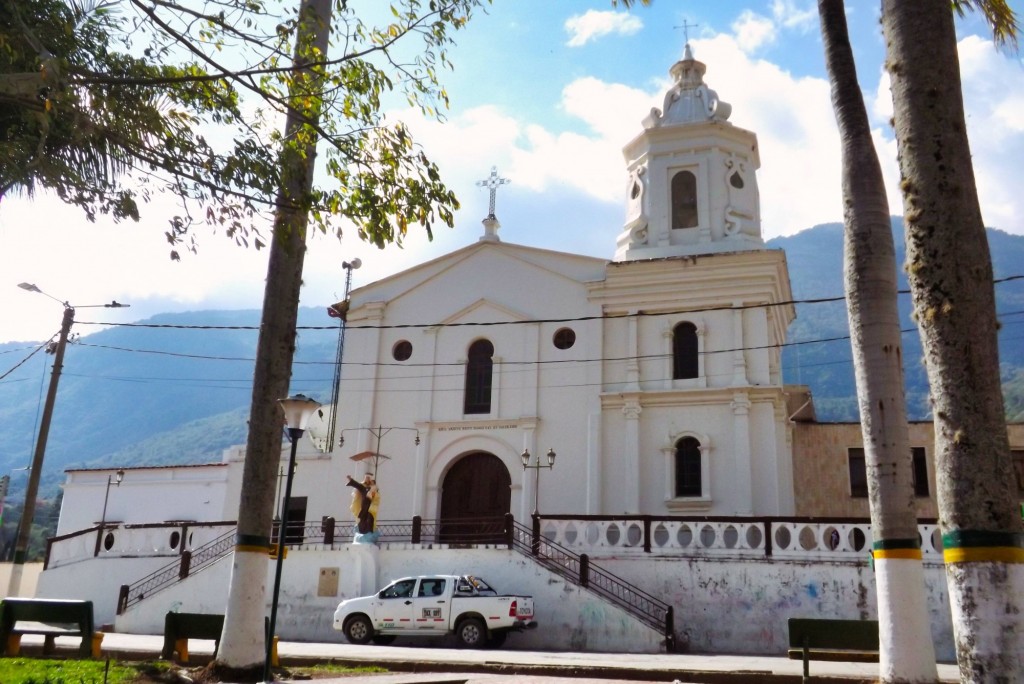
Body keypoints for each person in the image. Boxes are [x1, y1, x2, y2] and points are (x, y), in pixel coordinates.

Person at [346, 474, 380, 543]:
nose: (370, 481)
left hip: (371, 508)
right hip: (363, 506)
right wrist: (351, 480)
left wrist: (373, 493)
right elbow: (358, 485)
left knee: (370, 519)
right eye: (367, 478)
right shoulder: (364, 489)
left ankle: (369, 532)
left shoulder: (375, 491)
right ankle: (362, 531)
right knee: (362, 519)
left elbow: (376, 498)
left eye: (371, 481)